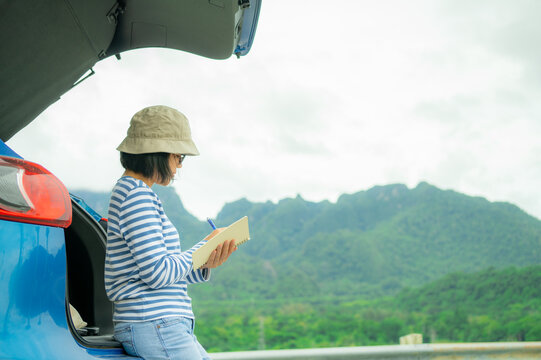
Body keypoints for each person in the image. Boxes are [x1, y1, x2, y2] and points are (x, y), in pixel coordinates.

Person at [105, 105, 236, 360]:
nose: (180, 165)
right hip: (156, 323)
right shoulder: (137, 197)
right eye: (179, 157)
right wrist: (202, 248)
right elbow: (157, 273)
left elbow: (157, 273)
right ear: (158, 153)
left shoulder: (133, 193)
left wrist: (205, 260)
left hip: (161, 323)